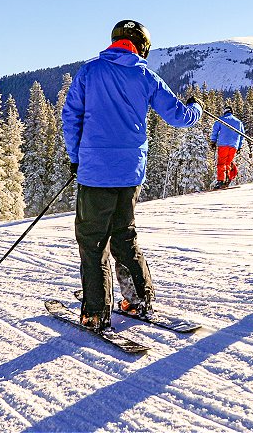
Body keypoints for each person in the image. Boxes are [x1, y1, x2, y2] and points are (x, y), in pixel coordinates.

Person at [62, 19, 202, 329]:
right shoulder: (145, 76)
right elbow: (179, 116)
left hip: (95, 172)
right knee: (124, 235)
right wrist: (197, 109)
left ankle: (96, 312)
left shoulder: (90, 71)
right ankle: (138, 300)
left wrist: (76, 158)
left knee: (93, 241)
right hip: (129, 173)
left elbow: (71, 116)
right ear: (142, 47)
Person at [209, 106, 244, 189]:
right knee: (228, 162)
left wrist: (213, 142)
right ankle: (227, 179)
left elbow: (215, 131)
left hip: (223, 144)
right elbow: (242, 135)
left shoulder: (220, 120)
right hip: (234, 145)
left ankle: (221, 181)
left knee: (221, 163)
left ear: (224, 112)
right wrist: (239, 146)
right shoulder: (239, 122)